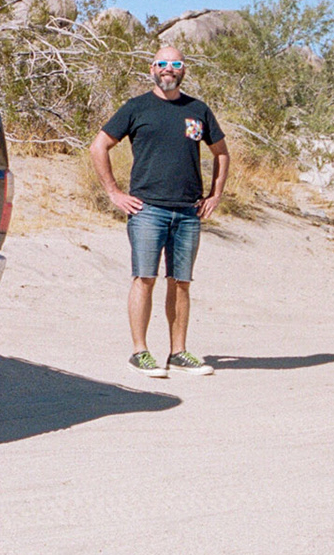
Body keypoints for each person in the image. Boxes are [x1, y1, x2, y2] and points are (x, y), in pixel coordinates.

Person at [89, 45, 230, 378]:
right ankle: (140, 352)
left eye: (176, 64)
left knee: (181, 282)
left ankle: (178, 352)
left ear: (183, 70)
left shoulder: (198, 110)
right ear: (152, 68)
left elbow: (221, 153)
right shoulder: (137, 108)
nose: (169, 69)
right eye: (163, 64)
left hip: (188, 211)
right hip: (147, 209)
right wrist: (113, 192)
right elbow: (99, 146)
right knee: (145, 278)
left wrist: (216, 194)